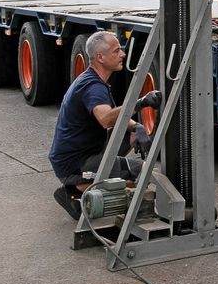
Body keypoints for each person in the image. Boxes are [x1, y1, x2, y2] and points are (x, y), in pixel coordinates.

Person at [48, 30, 156, 220]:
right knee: (140, 173)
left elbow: (115, 117)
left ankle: (87, 183)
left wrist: (136, 127)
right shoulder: (93, 87)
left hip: (79, 153)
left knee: (127, 131)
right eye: (116, 51)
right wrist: (141, 102)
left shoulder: (92, 79)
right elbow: (106, 119)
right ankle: (77, 189)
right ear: (100, 57)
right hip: (75, 163)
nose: (122, 54)